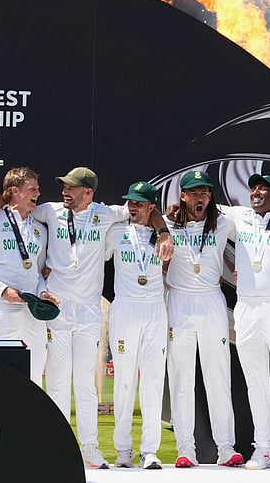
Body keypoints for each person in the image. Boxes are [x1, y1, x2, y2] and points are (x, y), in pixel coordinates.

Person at [33, 167, 173, 469]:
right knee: (57, 381)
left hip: (89, 310)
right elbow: (17, 211)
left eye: (72, 187)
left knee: (85, 383)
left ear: (89, 193)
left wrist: (163, 231)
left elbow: (150, 210)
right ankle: (56, 445)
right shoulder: (48, 211)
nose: (65, 191)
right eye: (64, 187)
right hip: (57, 306)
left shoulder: (108, 215)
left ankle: (91, 449)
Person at [221, 174, 270, 470]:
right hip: (246, 307)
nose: (255, 192)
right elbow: (201, 207)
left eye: (263, 189)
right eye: (254, 188)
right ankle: (265, 447)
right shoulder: (238, 216)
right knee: (255, 382)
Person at [164, 170, 242, 468]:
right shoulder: (168, 223)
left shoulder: (224, 221)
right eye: (194, 193)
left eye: (205, 193)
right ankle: (186, 448)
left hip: (211, 301)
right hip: (179, 302)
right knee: (182, 378)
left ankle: (226, 447)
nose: (201, 198)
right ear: (182, 196)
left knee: (218, 375)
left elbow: (255, 228)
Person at [0, 166, 57, 385]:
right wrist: (3, 291)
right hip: (0, 309)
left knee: (34, 375)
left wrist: (43, 293)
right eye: (32, 189)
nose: (37, 194)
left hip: (30, 310)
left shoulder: (40, 230)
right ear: (15, 191)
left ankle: (29, 420)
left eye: (37, 189)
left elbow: (37, 272)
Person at [106, 181, 168, 470]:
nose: (133, 207)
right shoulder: (116, 231)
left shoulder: (165, 235)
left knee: (153, 382)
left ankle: (150, 450)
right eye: (130, 202)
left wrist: (163, 229)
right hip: (125, 308)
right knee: (124, 381)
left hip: (155, 308)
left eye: (139, 203)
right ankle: (122, 449)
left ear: (151, 207)